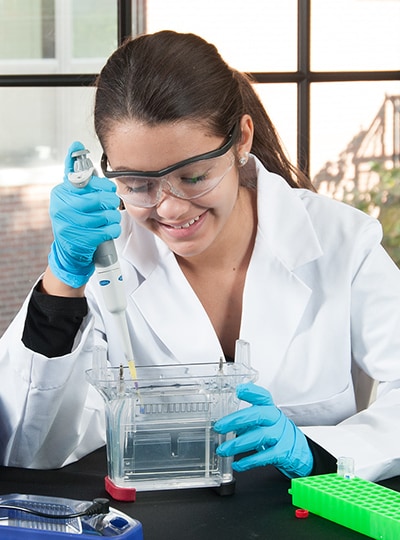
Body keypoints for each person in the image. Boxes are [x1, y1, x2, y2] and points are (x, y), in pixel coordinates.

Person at [1, 30, 400, 481]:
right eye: (137, 183)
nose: (169, 207)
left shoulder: (342, 242)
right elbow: (26, 447)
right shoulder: (101, 263)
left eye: (193, 177)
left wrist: (321, 451)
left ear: (242, 140)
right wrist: (62, 284)